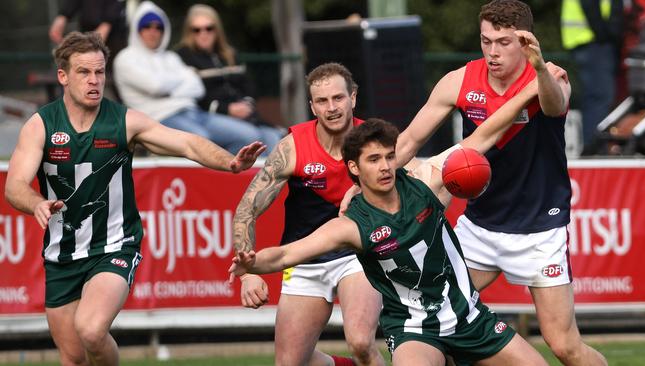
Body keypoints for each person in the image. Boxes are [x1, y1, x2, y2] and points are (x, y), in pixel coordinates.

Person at [3, 31, 265, 366]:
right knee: (73, 357)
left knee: (92, 329)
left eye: (100, 72)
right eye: (84, 72)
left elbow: (185, 143)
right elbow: (15, 186)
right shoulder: (40, 126)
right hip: (62, 255)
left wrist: (227, 162)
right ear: (63, 76)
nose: (94, 80)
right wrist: (36, 202)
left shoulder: (124, 121)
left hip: (115, 247)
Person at [229, 110, 550, 366]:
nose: (384, 167)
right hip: (415, 328)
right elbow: (286, 255)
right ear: (353, 167)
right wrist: (252, 263)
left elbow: (483, 136)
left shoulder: (426, 182)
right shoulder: (352, 225)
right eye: (373, 160)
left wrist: (528, 88)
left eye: (388, 156)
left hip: (469, 317)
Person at [390, 1, 606, 365]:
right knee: (439, 319)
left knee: (565, 346)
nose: (492, 51)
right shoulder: (460, 80)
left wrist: (539, 68)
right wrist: (363, 180)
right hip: (480, 227)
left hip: (540, 229)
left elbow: (555, 105)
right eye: (485, 40)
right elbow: (409, 141)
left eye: (503, 42)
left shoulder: (551, 77)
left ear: (525, 41)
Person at [232, 62, 385, 366]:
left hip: (357, 254)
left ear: (353, 97)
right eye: (323, 101)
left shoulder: (374, 142)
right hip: (305, 259)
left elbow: (409, 188)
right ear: (312, 107)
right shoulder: (293, 147)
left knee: (360, 341)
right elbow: (246, 209)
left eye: (338, 98)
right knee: (290, 363)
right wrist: (249, 273)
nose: (332, 108)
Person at [113, 1, 279, 155]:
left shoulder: (170, 57)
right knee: (203, 140)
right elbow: (155, 86)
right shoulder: (126, 58)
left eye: (158, 27)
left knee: (250, 136)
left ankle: (228, 180)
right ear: (137, 28)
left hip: (194, 113)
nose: (153, 31)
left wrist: (168, 89)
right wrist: (178, 83)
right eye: (147, 26)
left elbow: (196, 87)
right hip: (160, 119)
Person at [176, 4, 285, 146]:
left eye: (209, 28)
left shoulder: (230, 54)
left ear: (217, 30)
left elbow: (249, 86)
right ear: (189, 32)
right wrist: (227, 109)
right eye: (197, 30)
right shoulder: (183, 57)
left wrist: (247, 104)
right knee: (252, 137)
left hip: (248, 115)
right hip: (211, 115)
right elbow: (191, 97)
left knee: (277, 139)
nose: (204, 33)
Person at [561, 0, 624, 155]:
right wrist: (606, 36)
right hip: (593, 41)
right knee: (600, 97)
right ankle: (595, 148)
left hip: (587, 40)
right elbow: (590, 5)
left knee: (595, 97)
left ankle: (593, 146)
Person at [48, 0, 128, 72]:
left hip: (115, 35)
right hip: (87, 30)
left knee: (113, 71)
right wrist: (64, 15)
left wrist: (108, 23)